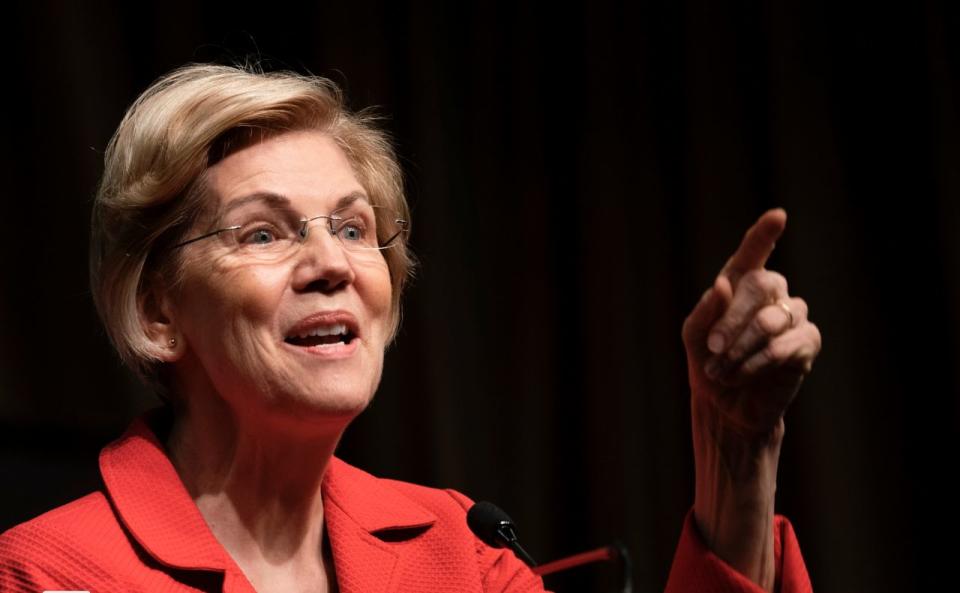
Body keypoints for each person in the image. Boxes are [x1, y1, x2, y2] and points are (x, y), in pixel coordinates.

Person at [0, 64, 820, 593]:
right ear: (156, 309)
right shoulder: (52, 573)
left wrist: (733, 448)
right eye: (263, 232)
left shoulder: (459, 552)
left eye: (354, 229)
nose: (334, 264)